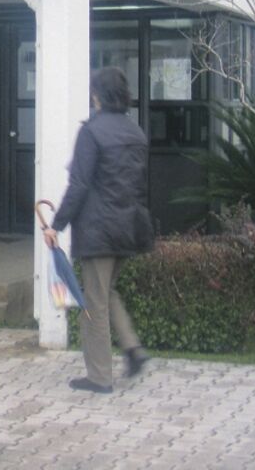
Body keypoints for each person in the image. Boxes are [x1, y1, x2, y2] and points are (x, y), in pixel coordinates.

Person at [44, 66, 154, 394]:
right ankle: (133, 349)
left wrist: (56, 225)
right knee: (106, 292)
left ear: (97, 96)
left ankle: (100, 377)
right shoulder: (136, 132)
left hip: (98, 230)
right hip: (130, 226)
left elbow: (79, 184)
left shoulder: (91, 132)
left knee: (94, 303)